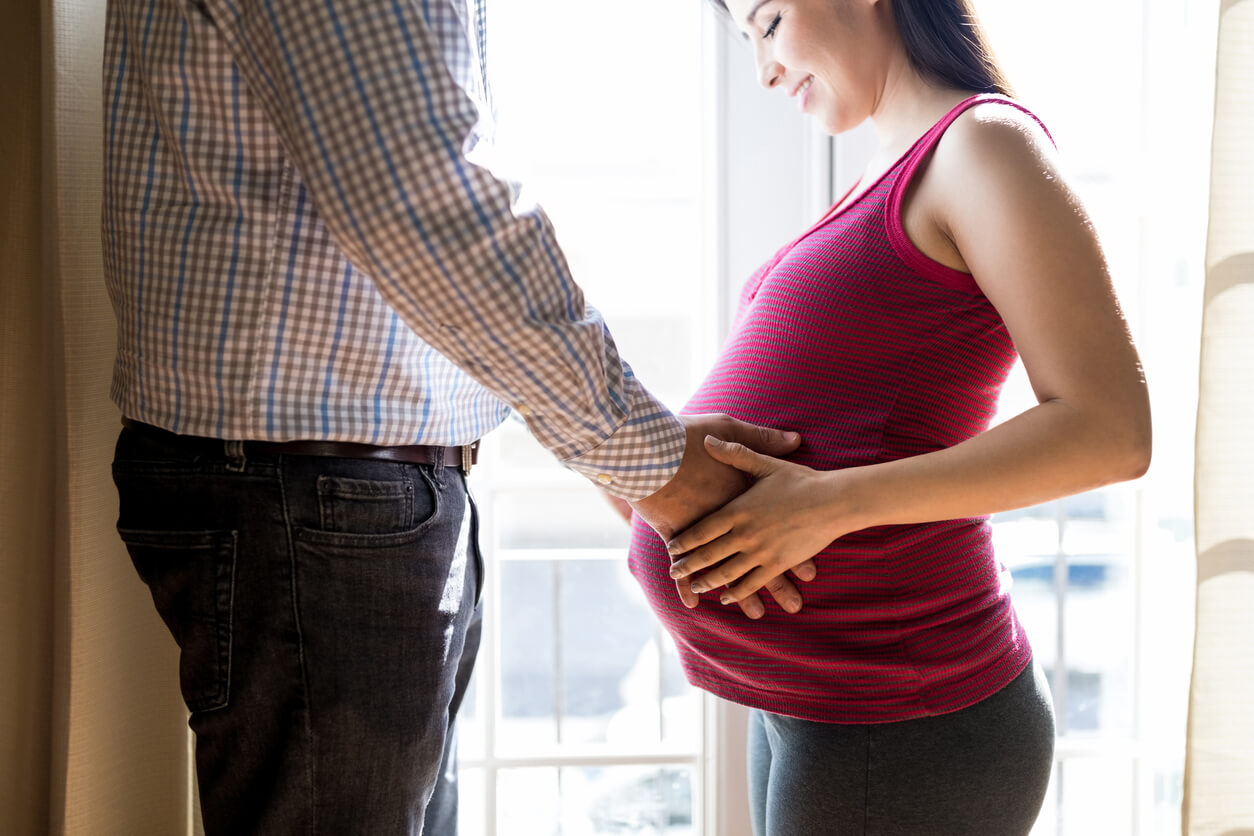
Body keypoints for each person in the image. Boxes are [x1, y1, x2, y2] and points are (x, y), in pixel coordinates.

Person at [101, 1, 818, 833]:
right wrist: (644, 458)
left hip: (337, 491)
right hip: (316, 496)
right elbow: (421, 195)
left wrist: (617, 450)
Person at [623, 0, 1153, 833]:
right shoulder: (886, 169)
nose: (762, 69)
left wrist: (830, 504)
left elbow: (1110, 431)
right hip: (816, 699)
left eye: (767, 24)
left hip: (903, 711)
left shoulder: (982, 144)